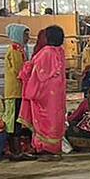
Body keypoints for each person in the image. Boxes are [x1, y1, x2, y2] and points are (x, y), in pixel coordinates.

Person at [18, 25, 66, 159]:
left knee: (44, 119)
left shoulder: (46, 52)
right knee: (56, 118)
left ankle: (43, 147)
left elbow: (37, 72)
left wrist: (25, 73)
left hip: (43, 93)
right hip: (57, 93)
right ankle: (55, 147)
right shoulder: (60, 51)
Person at [3, 23, 34, 161]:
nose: (28, 37)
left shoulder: (20, 49)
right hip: (15, 91)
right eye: (25, 34)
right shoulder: (15, 50)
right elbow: (19, 71)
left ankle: (17, 150)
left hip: (17, 90)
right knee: (14, 121)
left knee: (16, 120)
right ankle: (15, 151)